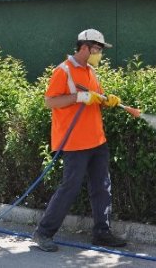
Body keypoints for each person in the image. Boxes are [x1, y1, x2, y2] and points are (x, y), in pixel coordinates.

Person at [32, 29, 126, 252]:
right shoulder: (63, 71)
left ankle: (102, 233)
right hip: (74, 143)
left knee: (102, 187)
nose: (99, 54)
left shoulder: (91, 72)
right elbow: (49, 102)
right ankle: (43, 232)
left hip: (97, 140)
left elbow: (98, 97)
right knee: (69, 188)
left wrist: (107, 100)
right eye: (97, 50)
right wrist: (79, 97)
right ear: (84, 47)